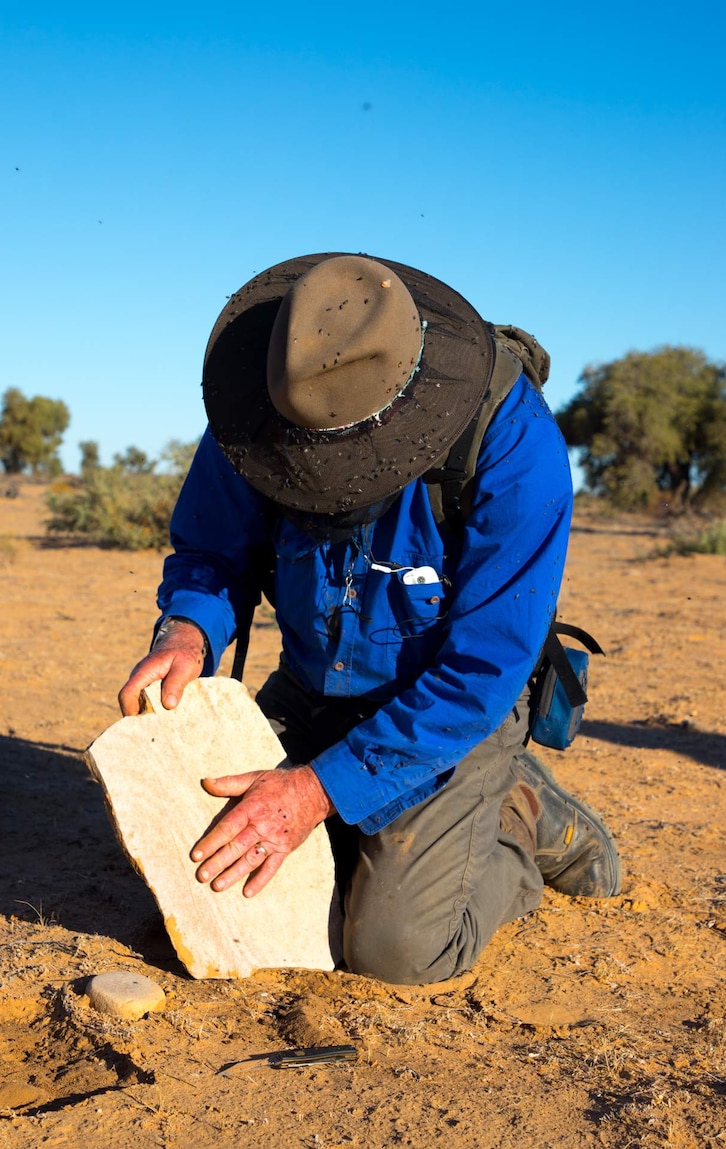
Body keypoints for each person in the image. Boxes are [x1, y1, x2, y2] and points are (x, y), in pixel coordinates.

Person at [118, 252, 621, 986]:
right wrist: (187, 630)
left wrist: (314, 792)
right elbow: (211, 550)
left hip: (449, 711)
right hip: (311, 684)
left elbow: (484, 666)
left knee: (393, 950)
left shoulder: (512, 439)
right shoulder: (269, 393)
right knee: (217, 878)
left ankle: (514, 814)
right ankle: (384, 822)